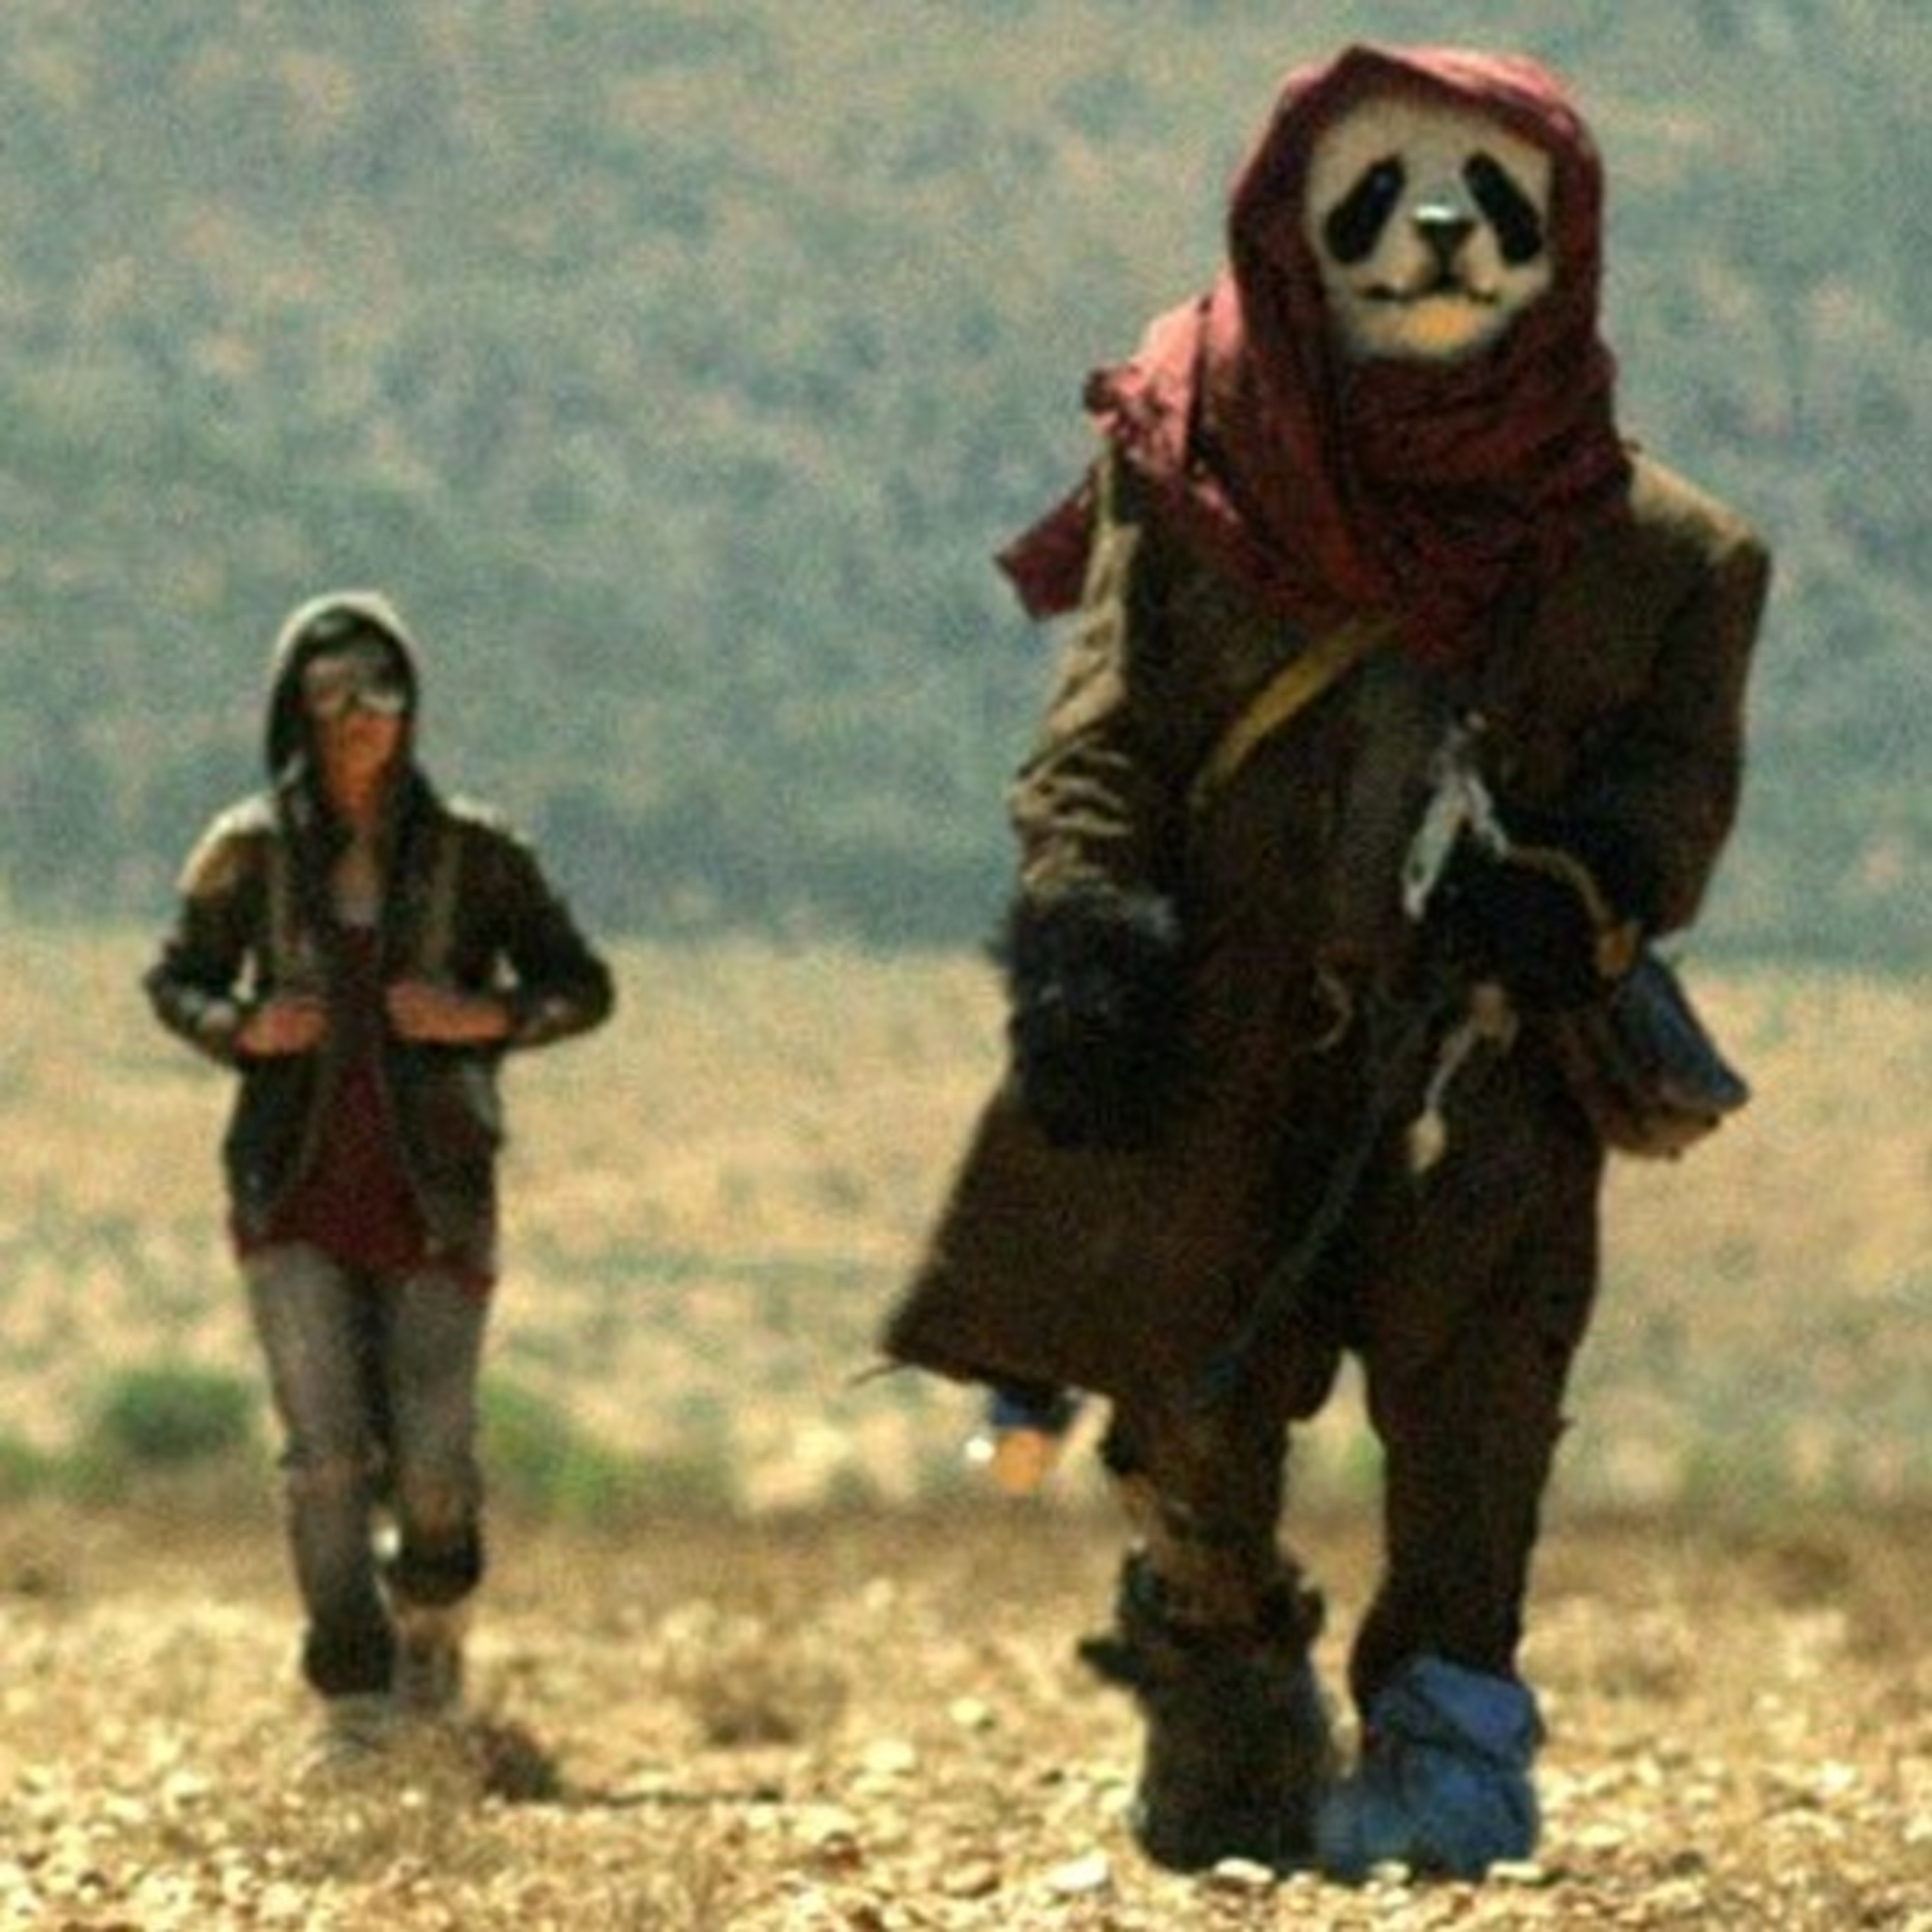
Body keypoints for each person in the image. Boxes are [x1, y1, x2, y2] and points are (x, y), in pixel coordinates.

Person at [884, 45, 1769, 1879]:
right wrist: (1081, 929)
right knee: (1191, 1403)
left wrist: (1586, 887)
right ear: (1295, 230)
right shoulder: (1194, 482)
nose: (1435, 225)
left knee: (1479, 1403)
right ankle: (1219, 1678)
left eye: (1487, 193)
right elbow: (1103, 734)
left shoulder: (1664, 560)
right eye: (1380, 189)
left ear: (1565, 240)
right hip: (1226, 1030)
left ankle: (1448, 1748)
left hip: (1483, 1048)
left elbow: (1673, 796)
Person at [145, 591, 614, 1766]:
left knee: (436, 1459)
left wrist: (480, 1016)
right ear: (296, 711)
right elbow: (176, 980)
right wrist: (242, 1029)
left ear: (412, 705)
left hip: (436, 1194)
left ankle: (433, 1635)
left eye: (382, 688)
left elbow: (582, 986)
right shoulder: (247, 851)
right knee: (325, 1457)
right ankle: (353, 1698)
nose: (361, 714)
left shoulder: (477, 855)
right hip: (290, 1187)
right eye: (334, 692)